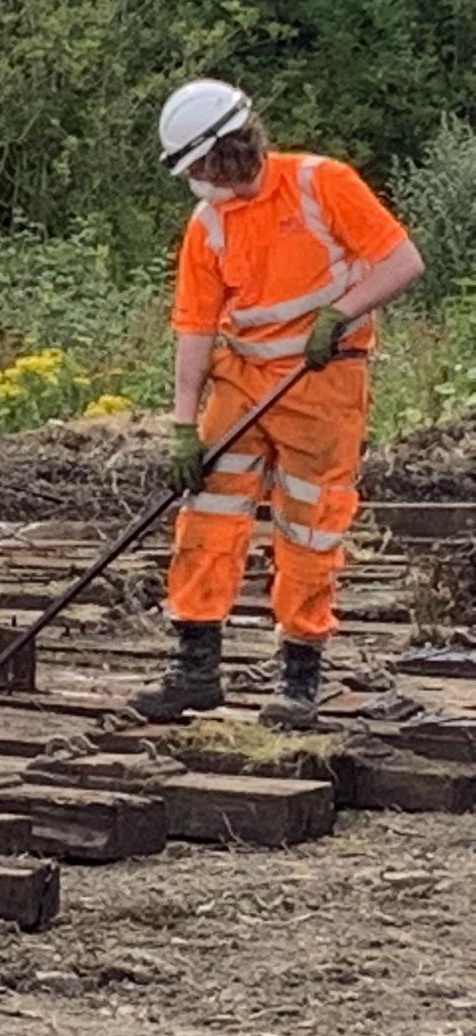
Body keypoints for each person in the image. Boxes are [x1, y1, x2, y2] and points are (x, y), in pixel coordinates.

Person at [129, 79, 424, 728]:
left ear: (231, 148)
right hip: (241, 381)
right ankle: (195, 669)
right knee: (206, 511)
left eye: (202, 166)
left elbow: (403, 261)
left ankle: (298, 677)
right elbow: (195, 325)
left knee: (309, 526)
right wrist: (184, 425)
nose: (198, 180)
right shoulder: (206, 225)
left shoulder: (322, 185)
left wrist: (339, 316)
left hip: (322, 380)